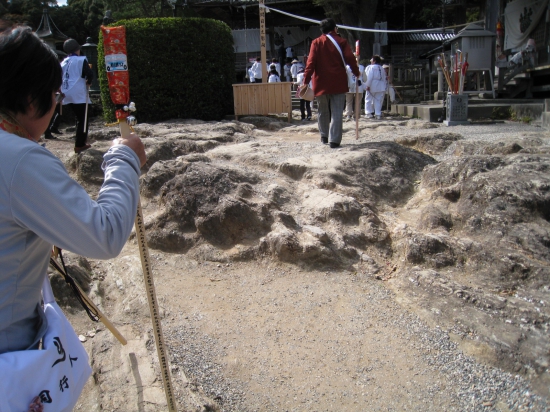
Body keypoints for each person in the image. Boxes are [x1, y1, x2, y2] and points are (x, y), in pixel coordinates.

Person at [0, 21, 146, 409]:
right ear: (31, 101)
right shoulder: (20, 160)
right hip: (10, 359)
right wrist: (124, 158)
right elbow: (104, 234)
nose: (57, 103)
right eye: (53, 94)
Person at [302, 18, 359, 148]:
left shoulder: (316, 43)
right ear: (334, 28)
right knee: (337, 111)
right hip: (338, 82)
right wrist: (357, 73)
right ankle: (335, 140)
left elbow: (310, 64)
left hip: (320, 82)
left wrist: (305, 81)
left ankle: (324, 136)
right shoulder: (342, 42)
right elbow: (350, 59)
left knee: (322, 110)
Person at [61, 38, 94, 153]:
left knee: (78, 118)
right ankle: (80, 144)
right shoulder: (81, 60)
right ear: (77, 49)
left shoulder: (63, 62)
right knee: (83, 119)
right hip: (78, 92)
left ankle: (80, 141)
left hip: (66, 92)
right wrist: (88, 82)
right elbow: (89, 73)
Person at [364, 55, 387, 120]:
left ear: (374, 61)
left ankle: (368, 113)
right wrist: (384, 86)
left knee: (368, 98)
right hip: (380, 85)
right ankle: (377, 114)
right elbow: (384, 78)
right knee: (377, 100)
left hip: (373, 84)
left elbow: (369, 77)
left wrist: (367, 85)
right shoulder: (381, 68)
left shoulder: (371, 67)